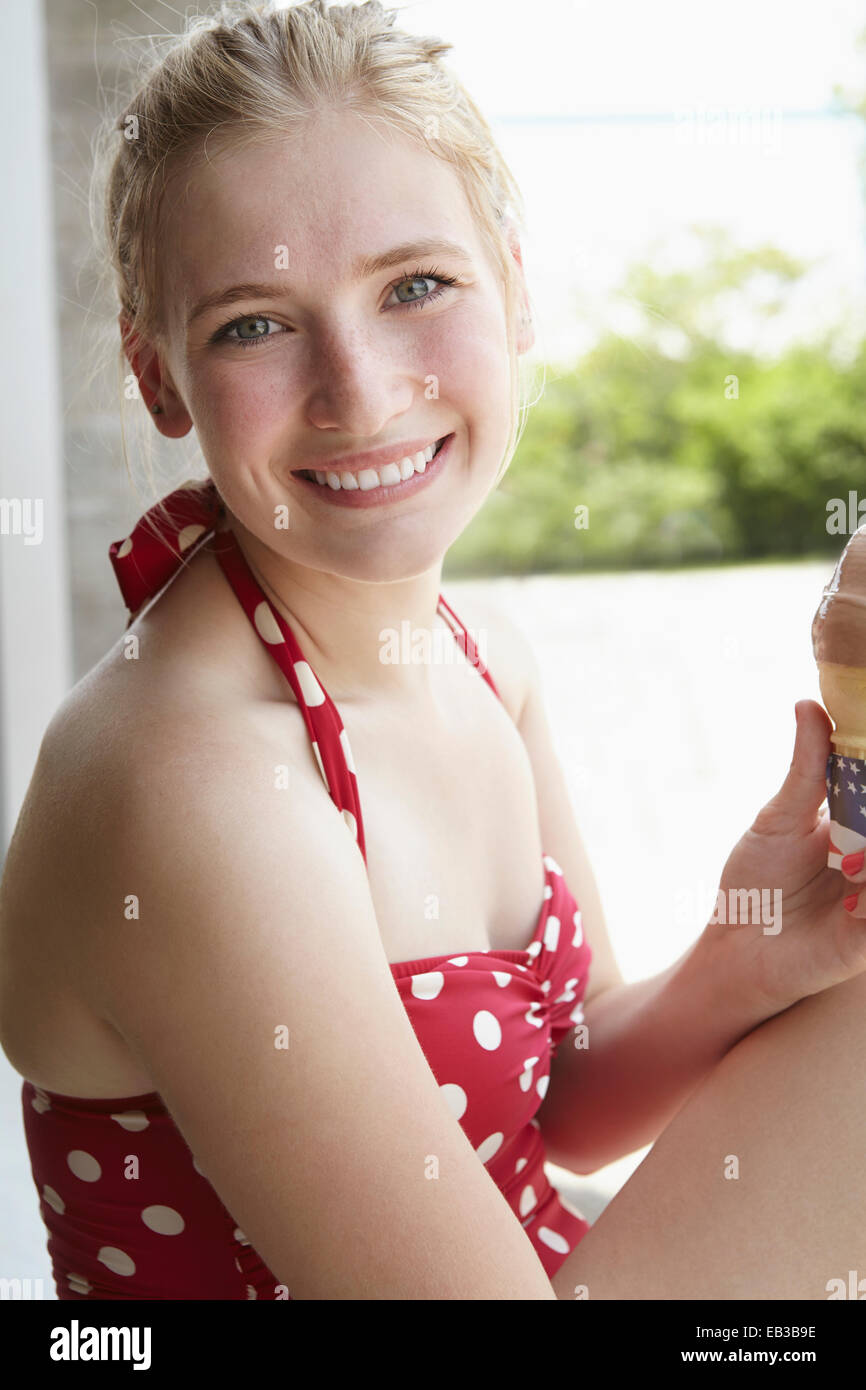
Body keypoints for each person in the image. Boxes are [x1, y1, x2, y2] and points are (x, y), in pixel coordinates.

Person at [1, 0, 865, 1302]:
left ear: (515, 288)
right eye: (253, 322)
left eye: (415, 285)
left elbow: (556, 1100)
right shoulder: (189, 782)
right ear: (157, 374)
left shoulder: (474, 654)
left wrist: (744, 953)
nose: (358, 387)